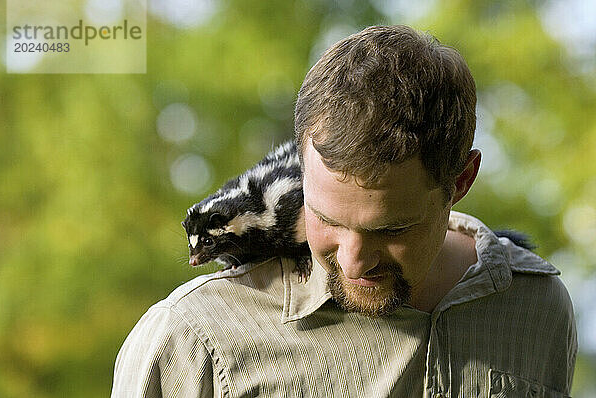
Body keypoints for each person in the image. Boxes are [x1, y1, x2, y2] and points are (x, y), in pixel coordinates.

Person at [112, 25, 577, 397]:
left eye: (390, 229)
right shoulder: (193, 336)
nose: (353, 261)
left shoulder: (537, 309)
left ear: (461, 180)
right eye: (327, 219)